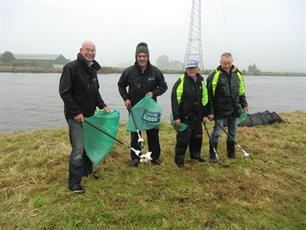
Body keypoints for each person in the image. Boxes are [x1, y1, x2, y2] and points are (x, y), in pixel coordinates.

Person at [59, 40, 111, 193]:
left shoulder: (92, 70)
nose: (90, 52)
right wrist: (75, 112)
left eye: (93, 50)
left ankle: (87, 172)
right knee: (78, 149)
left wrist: (102, 105)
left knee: (89, 146)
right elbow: (64, 92)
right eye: (87, 49)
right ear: (81, 50)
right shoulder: (70, 68)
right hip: (75, 117)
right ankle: (74, 183)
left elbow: (95, 92)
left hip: (90, 116)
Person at [118, 42, 168, 167]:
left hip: (150, 109)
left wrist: (153, 92)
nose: (142, 58)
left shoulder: (155, 72)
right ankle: (136, 157)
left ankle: (154, 157)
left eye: (144, 56)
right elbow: (121, 85)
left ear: (148, 57)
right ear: (136, 57)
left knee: (153, 133)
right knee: (135, 134)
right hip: (134, 108)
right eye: (139, 56)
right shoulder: (128, 71)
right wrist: (125, 98)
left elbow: (163, 86)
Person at [206, 52, 248, 162]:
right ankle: (213, 155)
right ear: (220, 62)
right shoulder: (214, 75)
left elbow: (241, 91)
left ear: (232, 62)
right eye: (225, 63)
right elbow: (209, 96)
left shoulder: (238, 74)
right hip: (220, 110)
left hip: (234, 109)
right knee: (217, 133)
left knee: (233, 133)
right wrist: (210, 111)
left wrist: (244, 104)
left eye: (229, 63)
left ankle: (231, 153)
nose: (227, 66)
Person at [171, 59, 208, 168]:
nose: (191, 70)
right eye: (189, 68)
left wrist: (205, 114)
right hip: (184, 117)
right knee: (183, 139)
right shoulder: (181, 81)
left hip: (198, 117)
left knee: (197, 137)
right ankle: (179, 161)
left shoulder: (201, 81)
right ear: (186, 69)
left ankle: (195, 156)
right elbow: (174, 101)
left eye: (194, 68)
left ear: (198, 69)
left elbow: (205, 99)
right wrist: (176, 117)